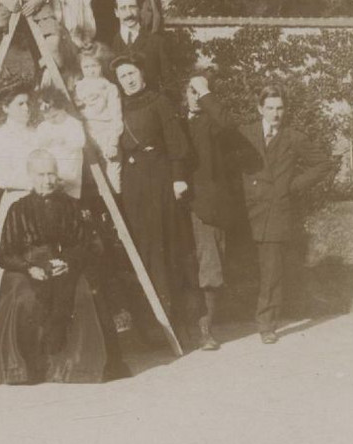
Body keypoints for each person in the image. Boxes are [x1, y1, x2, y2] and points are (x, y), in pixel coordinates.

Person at [0, 148, 125, 387]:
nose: (46, 180)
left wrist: (68, 263)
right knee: (25, 298)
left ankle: (72, 367)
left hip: (65, 265)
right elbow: (6, 253)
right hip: (30, 267)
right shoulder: (18, 208)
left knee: (83, 294)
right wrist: (30, 267)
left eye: (50, 174)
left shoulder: (70, 206)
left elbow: (85, 244)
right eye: (40, 175)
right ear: (30, 176)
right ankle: (25, 368)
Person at [235, 85, 337, 344]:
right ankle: (237, 319)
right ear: (260, 109)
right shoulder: (244, 133)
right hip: (245, 211)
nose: (275, 114)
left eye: (280, 108)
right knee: (245, 266)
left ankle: (266, 324)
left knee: (271, 271)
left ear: (285, 109)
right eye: (270, 108)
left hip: (275, 211)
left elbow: (324, 164)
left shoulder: (294, 138)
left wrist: (292, 186)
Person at [112, 55, 195, 344]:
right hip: (133, 184)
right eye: (122, 76)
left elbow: (175, 142)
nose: (129, 80)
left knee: (166, 246)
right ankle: (149, 327)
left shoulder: (159, 101)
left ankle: (177, 322)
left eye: (132, 73)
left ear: (142, 74)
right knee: (141, 246)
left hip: (159, 176)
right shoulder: (116, 106)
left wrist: (178, 177)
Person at [0, 82, 42, 342]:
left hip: (43, 203)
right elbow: (3, 177)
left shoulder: (39, 133)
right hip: (17, 202)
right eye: (20, 104)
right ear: (5, 108)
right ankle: (4, 335)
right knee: (14, 265)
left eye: (28, 103)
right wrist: (36, 182)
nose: (26, 108)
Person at [183, 74, 240, 351]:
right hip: (177, 206)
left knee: (210, 266)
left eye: (200, 91)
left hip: (207, 206)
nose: (195, 96)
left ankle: (205, 328)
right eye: (191, 91)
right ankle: (182, 328)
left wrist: (206, 94)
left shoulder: (213, 124)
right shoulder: (177, 120)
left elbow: (229, 126)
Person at [73, 47, 122, 191]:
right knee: (90, 175)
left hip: (106, 132)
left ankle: (115, 208)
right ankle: (97, 211)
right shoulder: (78, 87)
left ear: (101, 65)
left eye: (94, 65)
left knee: (112, 175)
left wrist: (114, 142)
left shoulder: (110, 87)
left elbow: (116, 116)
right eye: (86, 67)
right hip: (87, 133)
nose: (91, 70)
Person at [107, 0, 170, 99]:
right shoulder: (110, 45)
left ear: (140, 9)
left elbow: (170, 82)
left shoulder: (157, 41)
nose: (129, 14)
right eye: (123, 8)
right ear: (116, 13)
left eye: (132, 7)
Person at [33, 84, 88, 200]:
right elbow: (38, 145)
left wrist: (65, 141)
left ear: (63, 108)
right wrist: (45, 142)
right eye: (47, 118)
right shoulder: (43, 127)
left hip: (70, 167)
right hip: (51, 170)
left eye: (55, 116)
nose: (52, 120)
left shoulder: (72, 123)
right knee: (51, 197)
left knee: (69, 198)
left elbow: (80, 141)